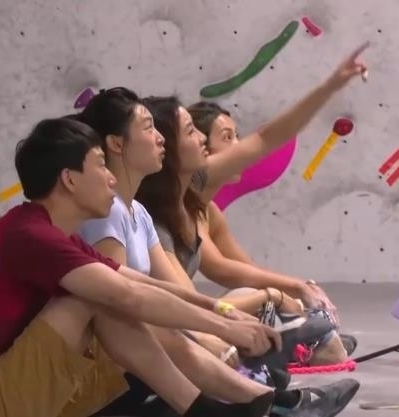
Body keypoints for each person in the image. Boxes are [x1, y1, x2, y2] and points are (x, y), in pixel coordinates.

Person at [0, 117, 302, 417]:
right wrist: (223, 327)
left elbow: (141, 283)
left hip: (14, 390)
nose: (110, 177)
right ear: (69, 179)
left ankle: (239, 402)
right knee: (98, 299)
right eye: (101, 165)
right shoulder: (30, 237)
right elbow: (126, 295)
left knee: (116, 298)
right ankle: (205, 409)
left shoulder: (54, 233)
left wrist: (221, 311)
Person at [73, 89, 360, 416]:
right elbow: (122, 305)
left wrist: (230, 316)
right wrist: (224, 324)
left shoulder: (138, 211)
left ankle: (267, 397)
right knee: (166, 329)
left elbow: (177, 291)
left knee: (201, 325)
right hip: (114, 371)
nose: (159, 139)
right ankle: (270, 400)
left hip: (146, 352)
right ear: (116, 144)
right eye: (149, 129)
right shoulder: (110, 214)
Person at [135, 42, 370, 361]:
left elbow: (266, 139)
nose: (203, 140)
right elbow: (195, 302)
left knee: (264, 303)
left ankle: (295, 343)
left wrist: (329, 87)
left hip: (189, 320)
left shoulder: (195, 194)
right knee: (257, 307)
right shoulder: (158, 219)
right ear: (168, 148)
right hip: (173, 331)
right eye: (192, 132)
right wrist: (274, 295)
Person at [187, 100, 357, 365]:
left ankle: (300, 339)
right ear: (200, 148)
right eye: (228, 138)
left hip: (189, 312)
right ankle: (298, 344)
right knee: (259, 299)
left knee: (269, 298)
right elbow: (220, 269)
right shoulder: (180, 207)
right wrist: (282, 293)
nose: (239, 148)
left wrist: (298, 290)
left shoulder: (208, 211)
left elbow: (245, 269)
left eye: (237, 137)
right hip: (178, 318)